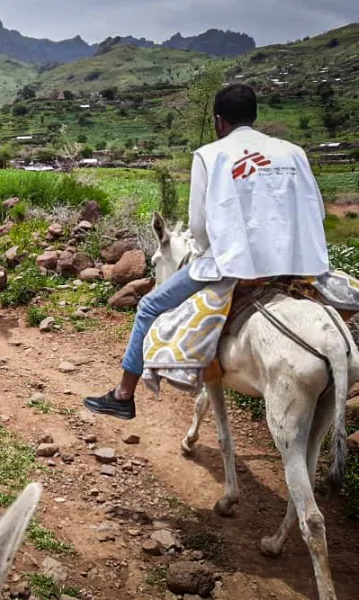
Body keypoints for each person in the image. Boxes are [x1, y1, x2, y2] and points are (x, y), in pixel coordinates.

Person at [82, 83, 329, 420]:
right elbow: (318, 211)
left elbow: (198, 225)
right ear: (254, 116)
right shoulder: (294, 152)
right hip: (297, 263)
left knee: (149, 306)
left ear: (219, 121)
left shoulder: (210, 155)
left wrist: (208, 252)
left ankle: (124, 394)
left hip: (235, 265)